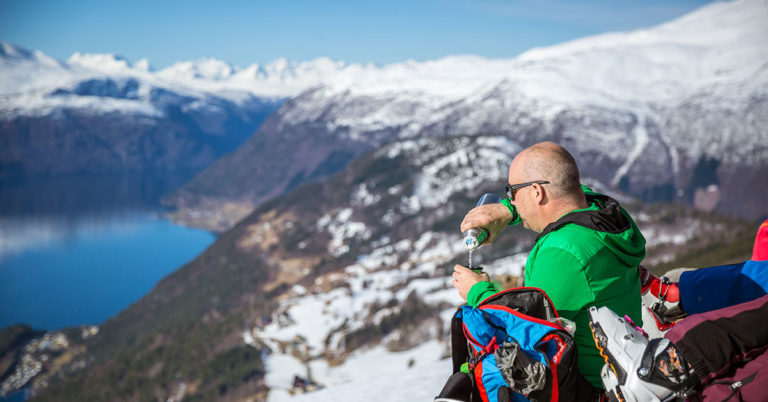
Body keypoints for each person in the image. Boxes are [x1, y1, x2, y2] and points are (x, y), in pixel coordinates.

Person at [451, 141, 645, 389]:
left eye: (512, 193)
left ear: (536, 192)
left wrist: (477, 291)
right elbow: (567, 188)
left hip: (582, 389)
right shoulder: (606, 217)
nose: (511, 200)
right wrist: (508, 210)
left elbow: (524, 336)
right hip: (619, 372)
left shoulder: (562, 252)